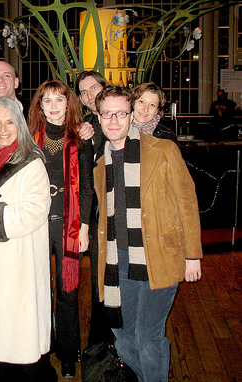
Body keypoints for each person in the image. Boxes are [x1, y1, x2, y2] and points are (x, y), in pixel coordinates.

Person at [93, 85, 202, 382]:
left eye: (120, 113)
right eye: (107, 114)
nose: (113, 120)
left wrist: (193, 255)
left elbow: (187, 202)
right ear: (99, 117)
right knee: (121, 333)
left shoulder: (163, 149)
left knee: (148, 335)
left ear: (130, 117)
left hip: (160, 256)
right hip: (120, 261)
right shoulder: (101, 165)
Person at [0, 97, 57, 382]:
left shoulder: (31, 162)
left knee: (17, 323)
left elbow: (36, 210)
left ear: (21, 125)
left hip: (17, 258)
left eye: (10, 122)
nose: (3, 129)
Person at [28, 79, 94, 378]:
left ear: (69, 103)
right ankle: (39, 348)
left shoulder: (81, 137)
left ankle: (68, 353)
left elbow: (88, 187)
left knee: (67, 292)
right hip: (36, 225)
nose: (54, 106)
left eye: (60, 100)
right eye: (48, 101)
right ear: (39, 106)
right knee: (37, 290)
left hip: (69, 225)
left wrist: (84, 228)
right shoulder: (29, 139)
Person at [75, 71, 115, 349]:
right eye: (84, 92)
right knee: (100, 278)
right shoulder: (86, 124)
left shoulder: (120, 117)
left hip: (122, 208)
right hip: (96, 210)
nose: (90, 95)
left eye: (94, 88)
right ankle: (100, 344)